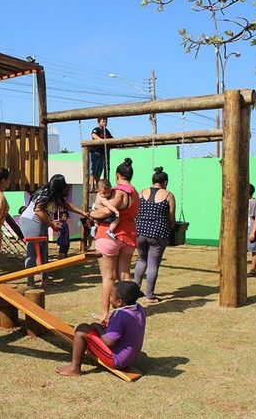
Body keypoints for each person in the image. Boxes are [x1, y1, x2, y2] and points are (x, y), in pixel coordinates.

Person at [55, 280, 146, 376]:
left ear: (119, 302)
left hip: (117, 360)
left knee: (82, 330)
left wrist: (97, 326)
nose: (109, 298)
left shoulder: (120, 315)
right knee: (89, 330)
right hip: (131, 357)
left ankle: (74, 368)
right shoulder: (139, 308)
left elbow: (109, 342)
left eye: (111, 296)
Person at [90, 158, 139, 324]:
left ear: (117, 176)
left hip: (110, 235)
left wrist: (92, 213)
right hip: (129, 234)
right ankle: (130, 309)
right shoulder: (135, 192)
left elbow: (104, 212)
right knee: (125, 275)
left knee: (108, 277)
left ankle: (104, 312)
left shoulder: (118, 191)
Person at [19, 174, 91, 288]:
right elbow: (38, 210)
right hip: (31, 221)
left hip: (42, 223)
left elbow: (67, 205)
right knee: (32, 252)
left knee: (43, 253)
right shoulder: (45, 194)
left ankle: (45, 279)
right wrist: (52, 225)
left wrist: (82, 212)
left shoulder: (54, 194)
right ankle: (30, 282)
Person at [133, 167, 176, 302]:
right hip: (158, 233)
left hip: (140, 231)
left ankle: (134, 292)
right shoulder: (169, 195)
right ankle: (149, 296)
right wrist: (172, 228)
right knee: (153, 265)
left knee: (141, 261)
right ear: (165, 182)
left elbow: (136, 211)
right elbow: (171, 218)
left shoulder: (141, 193)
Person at [89, 117, 113, 193]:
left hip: (102, 153)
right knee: (92, 169)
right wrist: (102, 140)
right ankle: (92, 186)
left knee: (99, 171)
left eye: (106, 122)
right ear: (98, 122)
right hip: (94, 152)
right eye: (103, 121)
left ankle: (98, 187)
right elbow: (93, 135)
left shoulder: (107, 131)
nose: (105, 123)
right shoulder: (96, 129)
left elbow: (112, 139)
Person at [247, 183, 256, 277]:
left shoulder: (254, 203)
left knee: (253, 250)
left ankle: (253, 270)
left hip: (252, 231)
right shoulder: (244, 202)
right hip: (245, 230)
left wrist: (253, 232)